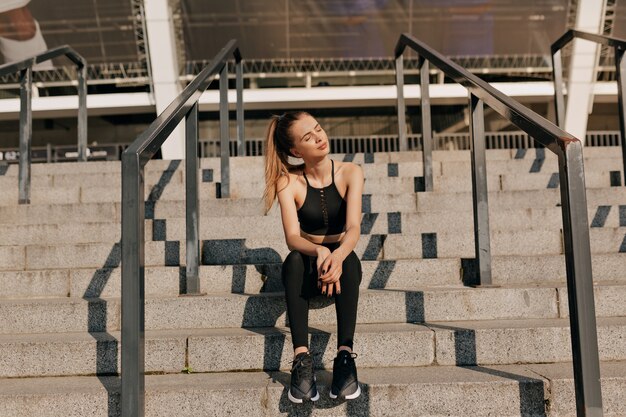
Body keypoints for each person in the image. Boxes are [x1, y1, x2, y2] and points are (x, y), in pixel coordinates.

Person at [263, 111, 364, 403]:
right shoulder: (287, 182)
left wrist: (338, 255)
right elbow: (293, 237)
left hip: (341, 263)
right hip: (308, 266)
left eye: (319, 129)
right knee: (293, 259)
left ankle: (345, 359)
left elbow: (354, 227)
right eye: (309, 137)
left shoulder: (350, 172)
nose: (320, 137)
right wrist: (320, 251)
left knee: (352, 260)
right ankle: (302, 361)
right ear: (296, 150)